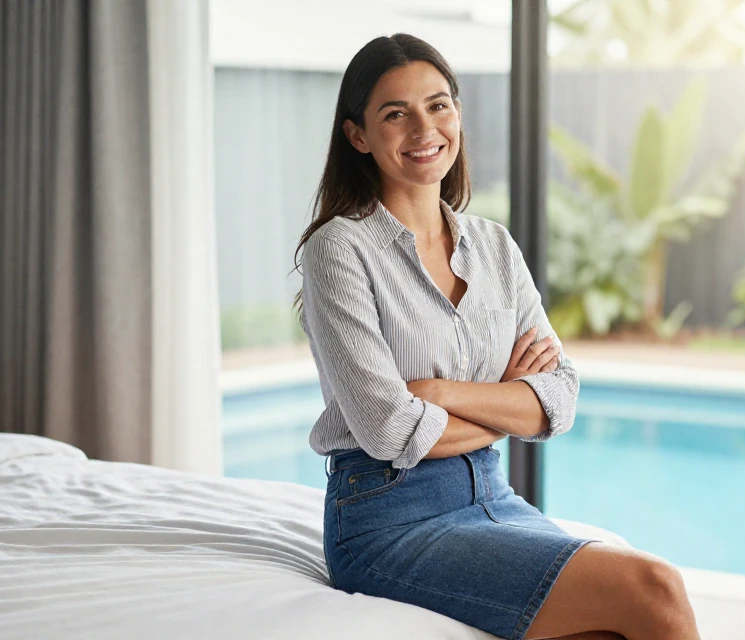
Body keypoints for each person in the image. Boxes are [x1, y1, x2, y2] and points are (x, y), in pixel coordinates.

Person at [292, 33, 701, 640]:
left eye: (438, 105)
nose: (424, 128)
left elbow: (558, 397)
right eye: (395, 114)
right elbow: (387, 430)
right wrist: (508, 405)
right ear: (358, 135)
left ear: (457, 114)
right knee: (656, 587)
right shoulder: (339, 249)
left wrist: (440, 393)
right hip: (386, 519)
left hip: (491, 495)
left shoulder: (494, 247)